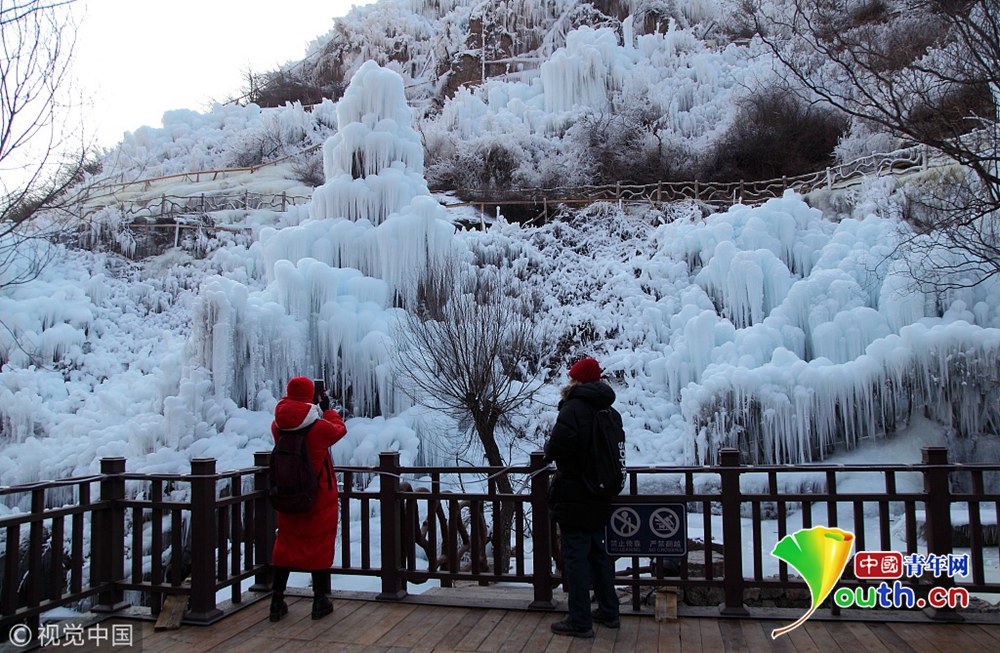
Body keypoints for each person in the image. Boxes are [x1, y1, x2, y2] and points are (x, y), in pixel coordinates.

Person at [543, 357, 621, 638]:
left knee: (575, 557)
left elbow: (557, 448)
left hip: (575, 492)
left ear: (578, 380)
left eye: (572, 376)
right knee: (599, 553)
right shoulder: (610, 411)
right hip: (601, 492)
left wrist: (549, 451)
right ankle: (609, 611)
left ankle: (579, 620)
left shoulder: (573, 408)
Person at [269, 376, 347, 622]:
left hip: (288, 494)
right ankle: (319, 600)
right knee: (319, 545)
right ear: (309, 395)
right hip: (318, 497)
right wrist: (326, 409)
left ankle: (276, 601)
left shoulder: (277, 426)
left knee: (285, 544)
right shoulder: (318, 428)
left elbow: (293, 422)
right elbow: (339, 430)